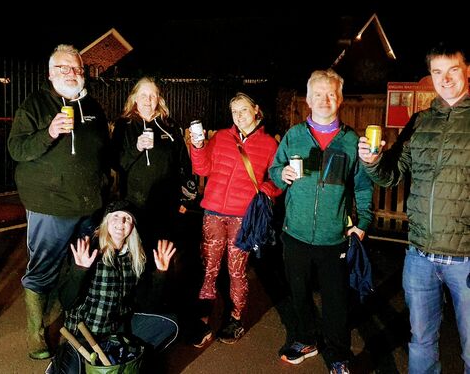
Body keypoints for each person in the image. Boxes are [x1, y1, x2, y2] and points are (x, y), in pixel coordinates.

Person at [358, 41, 470, 374]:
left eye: (452, 70)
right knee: (420, 342)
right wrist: (373, 161)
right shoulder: (420, 121)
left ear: (467, 71)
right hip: (419, 256)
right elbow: (392, 175)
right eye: (437, 72)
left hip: (465, 259)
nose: (445, 79)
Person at [8, 44, 111, 360]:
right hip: (49, 207)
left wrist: (104, 186)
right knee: (42, 270)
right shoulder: (35, 106)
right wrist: (49, 132)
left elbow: (103, 152)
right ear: (51, 73)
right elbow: (17, 149)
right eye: (64, 68)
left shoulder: (92, 106)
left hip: (87, 206)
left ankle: (76, 324)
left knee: (80, 267)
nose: (72, 73)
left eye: (77, 68)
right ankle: (36, 335)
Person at [269, 69, 373, 374]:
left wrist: (363, 222)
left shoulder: (351, 141)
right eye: (317, 94)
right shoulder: (294, 135)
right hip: (295, 233)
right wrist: (281, 174)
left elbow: (364, 186)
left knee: (336, 300)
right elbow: (275, 168)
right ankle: (305, 339)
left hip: (334, 237)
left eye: (330, 94)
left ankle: (339, 354)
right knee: (298, 292)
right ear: (308, 100)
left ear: (339, 98)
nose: (324, 100)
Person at [188, 92, 282, 346]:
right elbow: (202, 169)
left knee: (236, 271)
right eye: (234, 112)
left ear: (256, 110)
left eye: (243, 110)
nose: (238, 116)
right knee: (209, 267)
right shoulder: (220, 137)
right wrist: (197, 148)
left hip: (243, 217)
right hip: (214, 213)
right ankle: (203, 318)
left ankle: (235, 318)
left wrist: (265, 190)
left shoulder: (269, 144)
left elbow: (278, 179)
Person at [47, 200, 179, 374]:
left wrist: (160, 275)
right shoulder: (90, 251)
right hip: (84, 335)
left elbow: (148, 305)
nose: (121, 223)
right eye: (115, 216)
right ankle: (67, 360)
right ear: (106, 221)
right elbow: (66, 302)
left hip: (117, 334)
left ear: (132, 227)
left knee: (169, 323)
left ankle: (133, 360)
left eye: (127, 219)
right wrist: (79, 271)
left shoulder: (136, 259)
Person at [110, 77, 197, 254]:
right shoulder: (123, 125)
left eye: (152, 95)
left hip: (167, 205)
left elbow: (183, 164)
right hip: (133, 204)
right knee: (135, 254)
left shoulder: (169, 126)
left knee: (163, 255)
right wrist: (137, 148)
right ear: (134, 97)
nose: (148, 100)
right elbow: (115, 163)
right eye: (143, 95)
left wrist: (186, 198)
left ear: (159, 99)